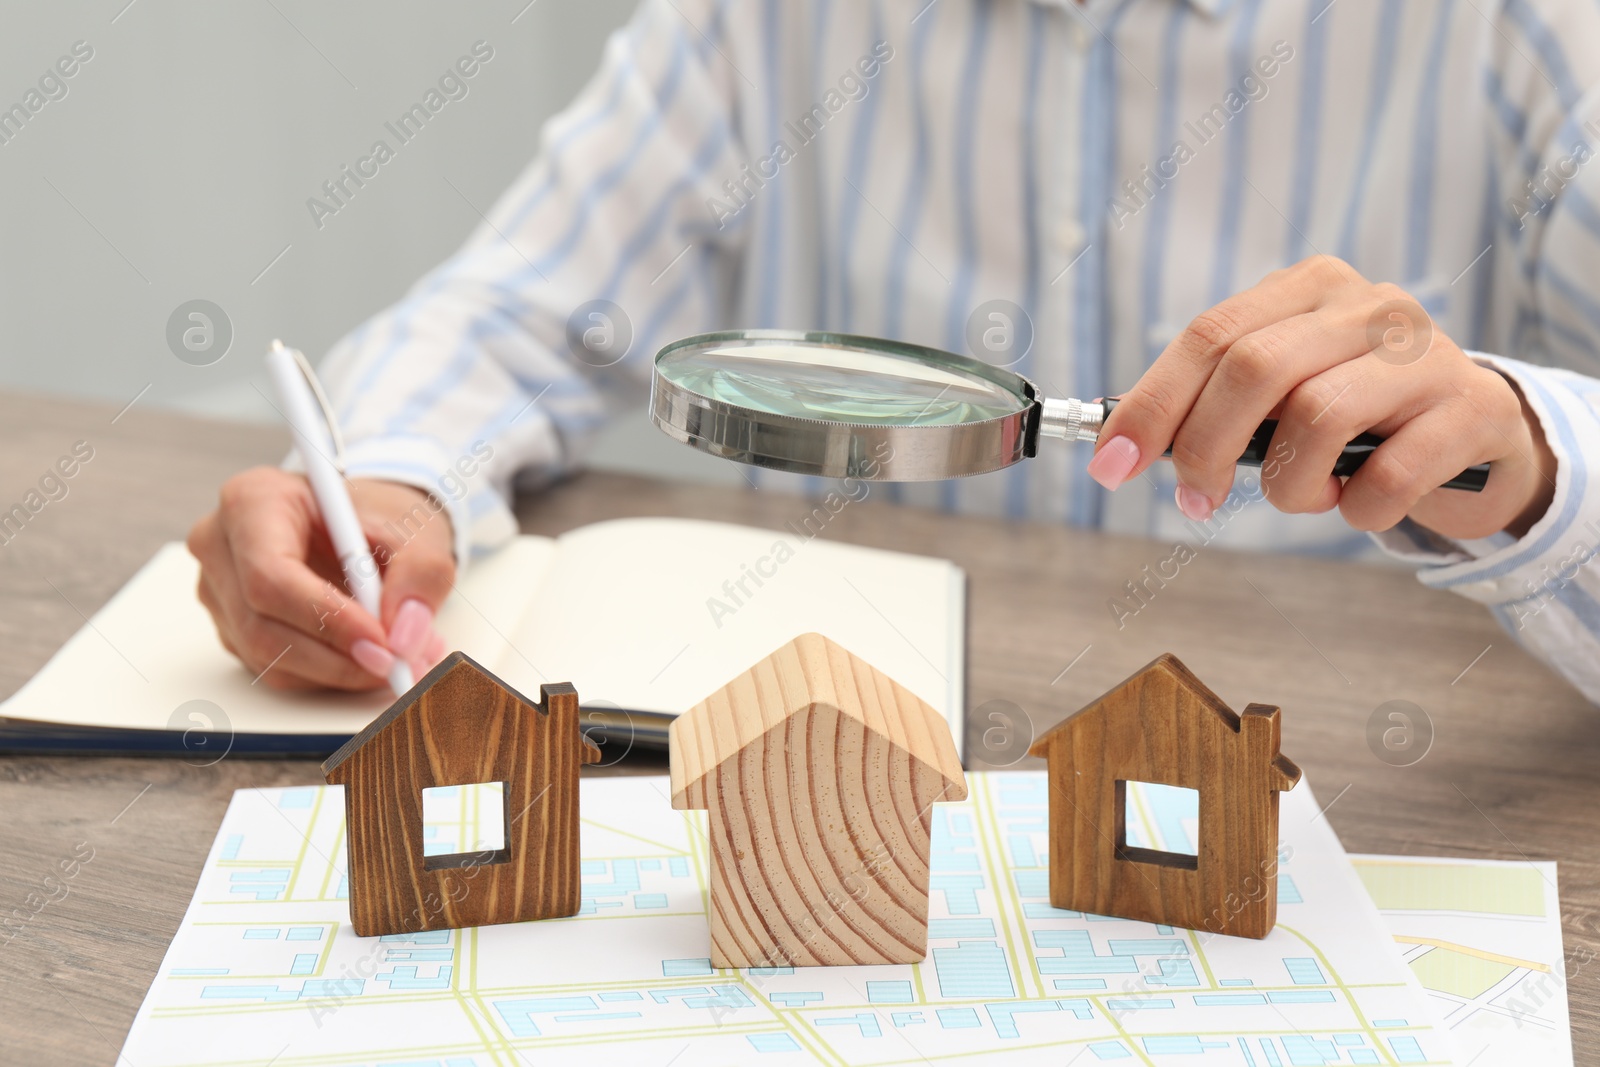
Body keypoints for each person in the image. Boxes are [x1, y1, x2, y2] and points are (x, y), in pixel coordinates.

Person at [188, 0, 1600, 702]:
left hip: (1317, 768)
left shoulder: (1520, 34)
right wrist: (383, 485)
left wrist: (1526, 462)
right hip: (815, 748)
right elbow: (512, 305)